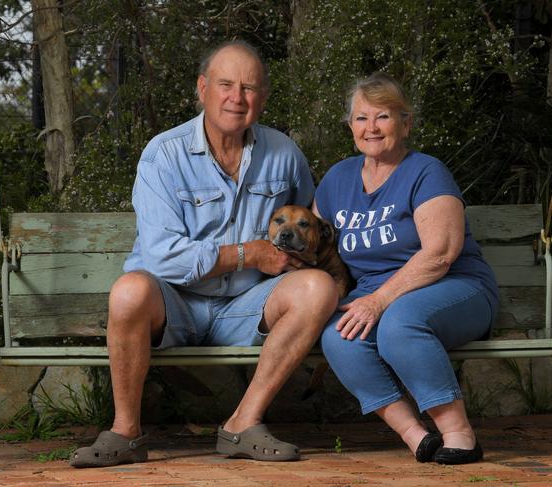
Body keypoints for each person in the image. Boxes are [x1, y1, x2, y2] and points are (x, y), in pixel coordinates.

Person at [70, 40, 339, 467]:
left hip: (248, 307)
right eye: (226, 84)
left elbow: (311, 230)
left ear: (263, 97)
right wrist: (246, 255)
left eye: (250, 88)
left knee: (318, 288)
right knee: (127, 291)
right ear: (202, 88)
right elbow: (160, 258)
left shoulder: (285, 155)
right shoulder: (163, 154)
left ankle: (241, 425)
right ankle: (125, 433)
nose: (237, 97)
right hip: (175, 303)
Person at [313, 73, 498, 465]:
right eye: (361, 118)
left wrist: (378, 302)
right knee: (337, 336)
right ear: (350, 126)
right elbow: (316, 243)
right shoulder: (337, 179)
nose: (372, 128)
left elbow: (440, 254)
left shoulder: (427, 172)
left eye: (383, 116)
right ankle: (416, 436)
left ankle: (459, 433)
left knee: (400, 324)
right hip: (375, 293)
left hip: (452, 284)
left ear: (406, 123)